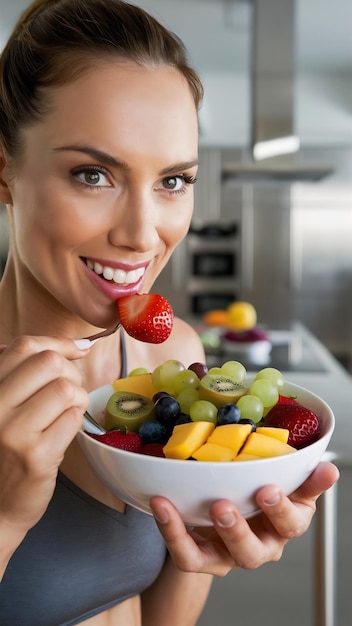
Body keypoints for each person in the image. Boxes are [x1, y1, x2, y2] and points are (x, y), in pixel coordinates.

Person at [0, 1, 339, 624]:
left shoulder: (172, 356)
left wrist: (208, 528)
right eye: (93, 173)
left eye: (174, 181)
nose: (141, 233)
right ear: (4, 168)